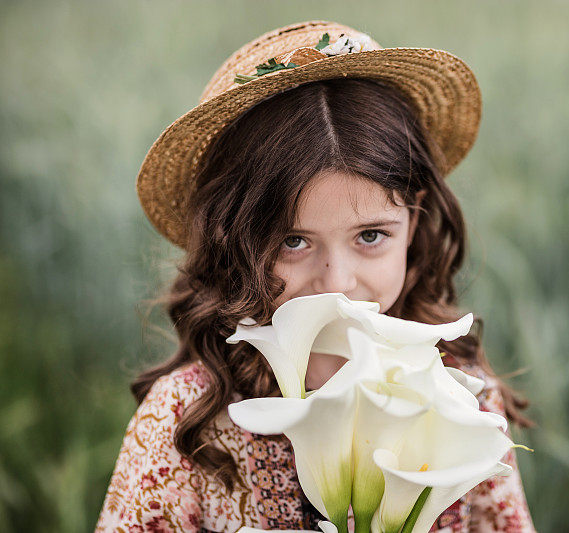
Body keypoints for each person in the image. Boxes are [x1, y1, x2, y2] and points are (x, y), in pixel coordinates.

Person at [96, 20, 537, 533]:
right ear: (237, 242)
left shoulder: (463, 397)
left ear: (414, 223)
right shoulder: (183, 421)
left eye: (371, 236)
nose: (337, 285)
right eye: (293, 241)